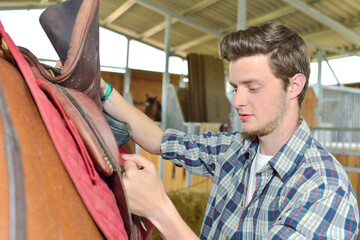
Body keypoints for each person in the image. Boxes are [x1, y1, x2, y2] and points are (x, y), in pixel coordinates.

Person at [101, 23, 359, 239]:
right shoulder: (234, 149)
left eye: (253, 88)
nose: (237, 101)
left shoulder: (325, 190)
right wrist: (104, 91)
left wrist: (158, 210)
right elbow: (159, 140)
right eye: (236, 88)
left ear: (294, 86)